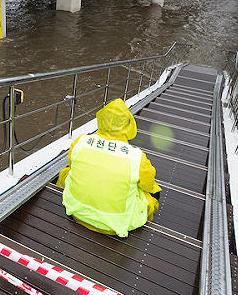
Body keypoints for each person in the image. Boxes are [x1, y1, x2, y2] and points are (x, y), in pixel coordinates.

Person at [56, 99, 161, 237]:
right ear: (128, 125)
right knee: (148, 194)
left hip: (76, 212)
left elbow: (72, 165)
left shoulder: (80, 142)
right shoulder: (137, 157)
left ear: (101, 119)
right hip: (116, 225)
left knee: (66, 173)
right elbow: (148, 185)